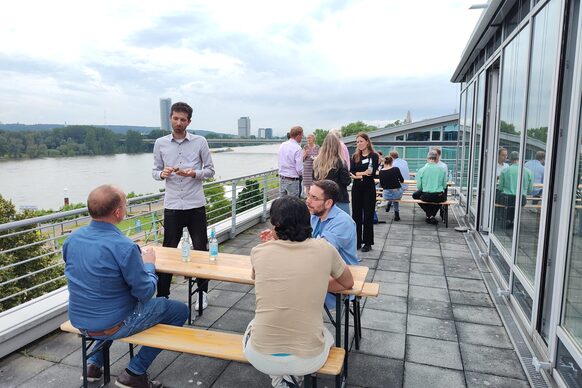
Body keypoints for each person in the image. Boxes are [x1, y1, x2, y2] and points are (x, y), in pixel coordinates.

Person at [63, 185, 188, 388]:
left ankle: (93, 365)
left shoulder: (72, 240)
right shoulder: (124, 246)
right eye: (125, 205)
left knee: (107, 303)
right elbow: (146, 293)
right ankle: (134, 372)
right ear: (118, 212)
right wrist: (148, 264)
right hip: (113, 323)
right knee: (179, 310)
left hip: (80, 320)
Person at [246, 196, 354, 388]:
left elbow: (257, 277)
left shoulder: (259, 251)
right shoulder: (324, 249)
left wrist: (270, 244)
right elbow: (347, 282)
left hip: (261, 357)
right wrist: (314, 280)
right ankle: (290, 378)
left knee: (252, 325)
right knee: (325, 334)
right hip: (309, 358)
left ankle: (281, 380)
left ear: (275, 225)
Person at [152, 101, 215, 309]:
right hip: (172, 206)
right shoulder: (160, 143)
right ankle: (163, 296)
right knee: (167, 251)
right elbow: (155, 171)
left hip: (195, 204)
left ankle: (202, 294)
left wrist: (193, 173)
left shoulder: (200, 141)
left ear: (189, 121)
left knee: (200, 250)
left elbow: (210, 171)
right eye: (175, 118)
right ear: (170, 118)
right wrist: (162, 174)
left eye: (183, 119)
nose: (178, 122)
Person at [306, 180, 358, 308]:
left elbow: (320, 252)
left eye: (314, 198)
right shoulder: (314, 214)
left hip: (339, 280)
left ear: (328, 203)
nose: (308, 201)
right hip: (319, 272)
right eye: (308, 195)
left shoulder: (343, 222)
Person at [350, 132, 379, 252]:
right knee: (356, 215)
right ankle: (356, 241)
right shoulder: (355, 156)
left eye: (361, 141)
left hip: (368, 188)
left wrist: (358, 174)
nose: (359, 144)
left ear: (367, 141)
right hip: (356, 188)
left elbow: (371, 173)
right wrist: (361, 174)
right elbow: (351, 172)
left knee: (368, 215)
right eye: (357, 142)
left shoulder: (374, 156)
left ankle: (368, 242)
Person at [312, 134, 352, 214]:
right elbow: (346, 181)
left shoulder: (316, 162)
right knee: (342, 224)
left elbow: (314, 178)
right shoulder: (340, 162)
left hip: (322, 199)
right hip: (339, 199)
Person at [497, 151, 534, 228]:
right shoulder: (528, 172)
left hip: (507, 199)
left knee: (498, 197)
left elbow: (500, 188)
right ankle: (512, 220)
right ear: (519, 159)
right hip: (521, 199)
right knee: (514, 203)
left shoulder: (505, 171)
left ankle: (505, 219)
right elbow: (530, 190)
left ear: (510, 159)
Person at [413, 150, 447, 225]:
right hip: (439, 196)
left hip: (427, 196)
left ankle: (430, 215)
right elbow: (444, 185)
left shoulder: (422, 170)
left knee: (415, 195)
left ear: (428, 158)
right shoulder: (442, 170)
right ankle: (431, 216)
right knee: (440, 200)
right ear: (436, 158)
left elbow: (419, 187)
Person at [278, 126, 304, 197]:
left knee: (282, 205)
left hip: (282, 179)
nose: (302, 137)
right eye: (302, 135)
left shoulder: (282, 145)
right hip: (292, 181)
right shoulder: (298, 148)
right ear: (298, 135)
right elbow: (299, 169)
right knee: (292, 205)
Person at [379, 156, 405, 221]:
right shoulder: (396, 169)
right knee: (396, 193)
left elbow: (382, 185)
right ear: (392, 162)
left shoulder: (381, 171)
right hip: (397, 195)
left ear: (384, 162)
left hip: (386, 195)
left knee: (392, 192)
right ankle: (397, 214)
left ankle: (389, 204)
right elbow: (402, 180)